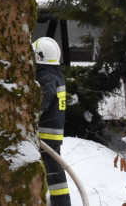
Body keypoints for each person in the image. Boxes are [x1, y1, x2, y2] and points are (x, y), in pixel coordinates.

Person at [34, 36, 71, 206]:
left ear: (39, 56)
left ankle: (61, 202)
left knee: (53, 168)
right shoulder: (56, 74)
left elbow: (43, 100)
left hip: (46, 131)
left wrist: (32, 115)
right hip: (54, 130)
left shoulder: (46, 76)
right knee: (51, 167)